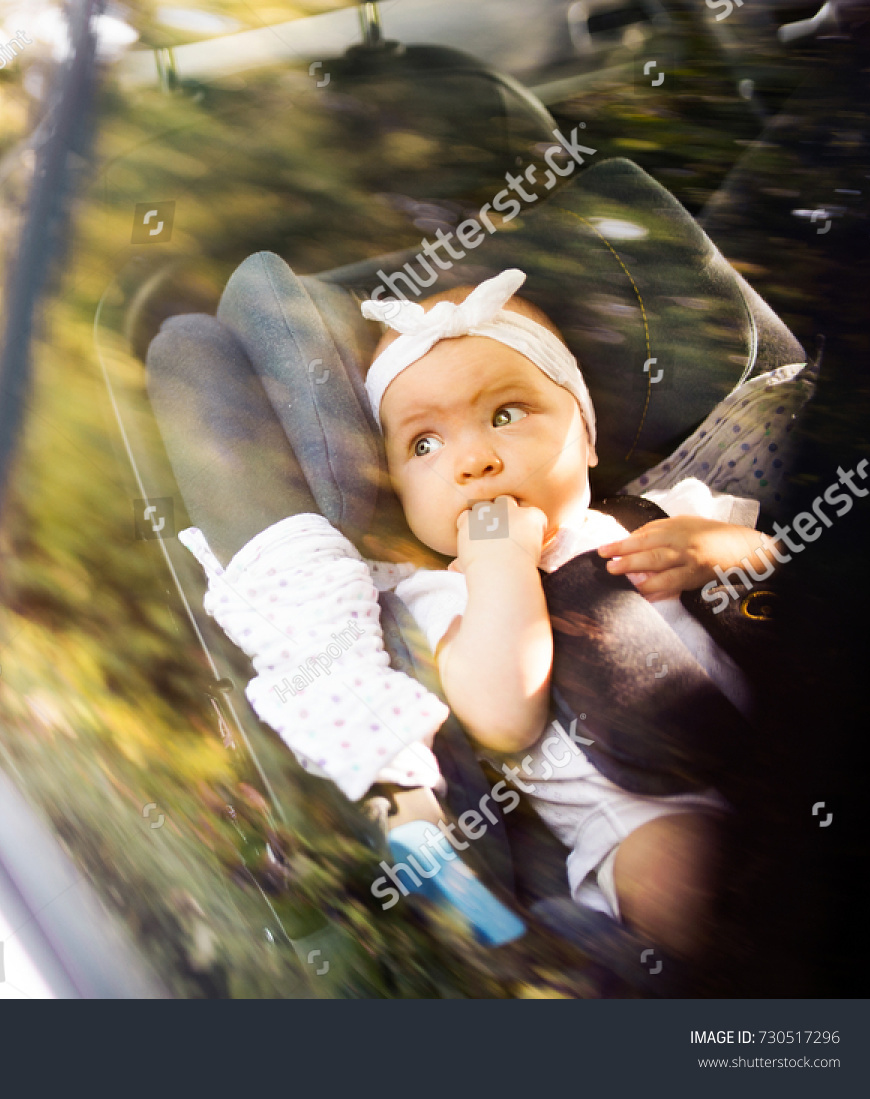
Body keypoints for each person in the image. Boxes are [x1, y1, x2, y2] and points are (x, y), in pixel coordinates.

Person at [181, 268, 777, 958]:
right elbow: (504, 715)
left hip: (775, 754)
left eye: (505, 415)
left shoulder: (669, 509)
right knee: (680, 872)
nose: (473, 460)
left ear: (584, 436)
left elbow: (786, 586)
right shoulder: (435, 599)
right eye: (424, 445)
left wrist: (728, 549)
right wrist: (500, 563)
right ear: (401, 492)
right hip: (643, 818)